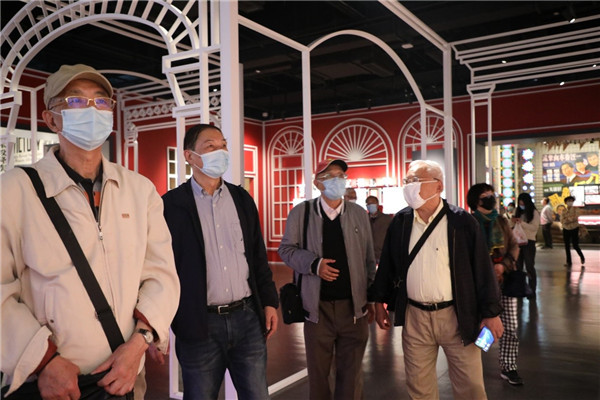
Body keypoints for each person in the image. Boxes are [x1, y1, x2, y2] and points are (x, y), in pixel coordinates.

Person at [0, 64, 180, 399]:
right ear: (51, 119)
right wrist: (43, 360)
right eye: (76, 101)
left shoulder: (139, 191)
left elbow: (161, 275)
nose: (92, 110)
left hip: (126, 377)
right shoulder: (13, 191)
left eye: (101, 101)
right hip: (52, 382)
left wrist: (139, 344)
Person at [162, 124, 279, 399]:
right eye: (210, 146)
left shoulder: (241, 198)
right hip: (198, 323)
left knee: (256, 394)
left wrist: (269, 302)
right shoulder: (170, 205)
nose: (221, 151)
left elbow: (257, 256)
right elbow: (163, 268)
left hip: (247, 317)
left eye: (223, 145)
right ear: (189, 156)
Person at [371, 160, 503, 400]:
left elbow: (482, 269)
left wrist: (491, 312)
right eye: (407, 181)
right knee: (418, 386)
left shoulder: (462, 221)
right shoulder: (401, 222)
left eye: (416, 181)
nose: (409, 186)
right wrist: (379, 301)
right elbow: (388, 264)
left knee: (470, 386)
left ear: (438, 186)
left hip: (457, 315)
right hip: (415, 317)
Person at [278, 159, 376, 400]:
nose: (337, 180)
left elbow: (368, 258)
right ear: (317, 183)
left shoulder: (358, 214)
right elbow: (286, 250)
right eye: (330, 175)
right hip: (317, 309)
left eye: (341, 175)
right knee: (319, 375)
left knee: (351, 377)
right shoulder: (302, 213)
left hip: (353, 310)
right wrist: (314, 264)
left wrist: (371, 299)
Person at [467, 184, 523, 386]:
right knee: (478, 325)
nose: (491, 198)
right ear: (476, 200)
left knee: (510, 326)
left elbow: (514, 246)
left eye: (492, 195)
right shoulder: (469, 222)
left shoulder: (501, 221)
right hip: (478, 286)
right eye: (485, 196)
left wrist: (503, 265)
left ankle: (508, 366)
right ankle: (473, 364)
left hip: (504, 281)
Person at [512, 193, 540, 298]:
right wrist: (512, 221)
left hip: (529, 242)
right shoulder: (517, 211)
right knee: (518, 266)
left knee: (529, 266)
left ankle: (532, 290)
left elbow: (534, 227)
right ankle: (520, 289)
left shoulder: (534, 213)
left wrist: (522, 223)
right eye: (520, 203)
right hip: (517, 242)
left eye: (523, 204)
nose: (521, 205)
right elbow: (511, 225)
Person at [365, 195, 393, 264]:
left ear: (377, 204)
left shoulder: (387, 219)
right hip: (368, 255)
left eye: (372, 203)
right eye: (368, 204)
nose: (370, 205)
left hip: (383, 254)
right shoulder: (363, 219)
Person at [560, 196, 585, 268]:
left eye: (571, 201)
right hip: (566, 229)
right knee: (567, 246)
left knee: (575, 245)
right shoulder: (563, 211)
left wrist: (567, 219)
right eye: (568, 201)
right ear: (566, 202)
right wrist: (569, 219)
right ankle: (569, 262)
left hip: (574, 228)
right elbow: (562, 220)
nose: (570, 202)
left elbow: (575, 217)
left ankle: (581, 256)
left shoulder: (576, 209)